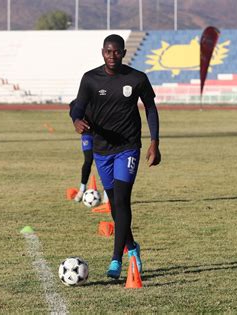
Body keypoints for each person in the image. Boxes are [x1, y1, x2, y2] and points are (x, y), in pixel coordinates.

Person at [70, 34, 161, 279]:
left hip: (128, 148)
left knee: (122, 200)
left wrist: (154, 142)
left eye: (117, 52)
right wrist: (76, 120)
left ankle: (115, 260)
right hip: (102, 151)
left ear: (123, 52)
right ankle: (132, 248)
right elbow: (77, 107)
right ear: (103, 52)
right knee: (114, 206)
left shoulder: (137, 78)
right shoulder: (90, 79)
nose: (112, 56)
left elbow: (151, 108)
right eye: (108, 52)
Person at [69, 99, 109, 204]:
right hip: (87, 134)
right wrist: (76, 120)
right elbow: (73, 109)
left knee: (101, 162)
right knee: (88, 159)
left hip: (100, 134)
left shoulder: (101, 98)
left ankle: (106, 194)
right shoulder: (79, 100)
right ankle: (82, 189)